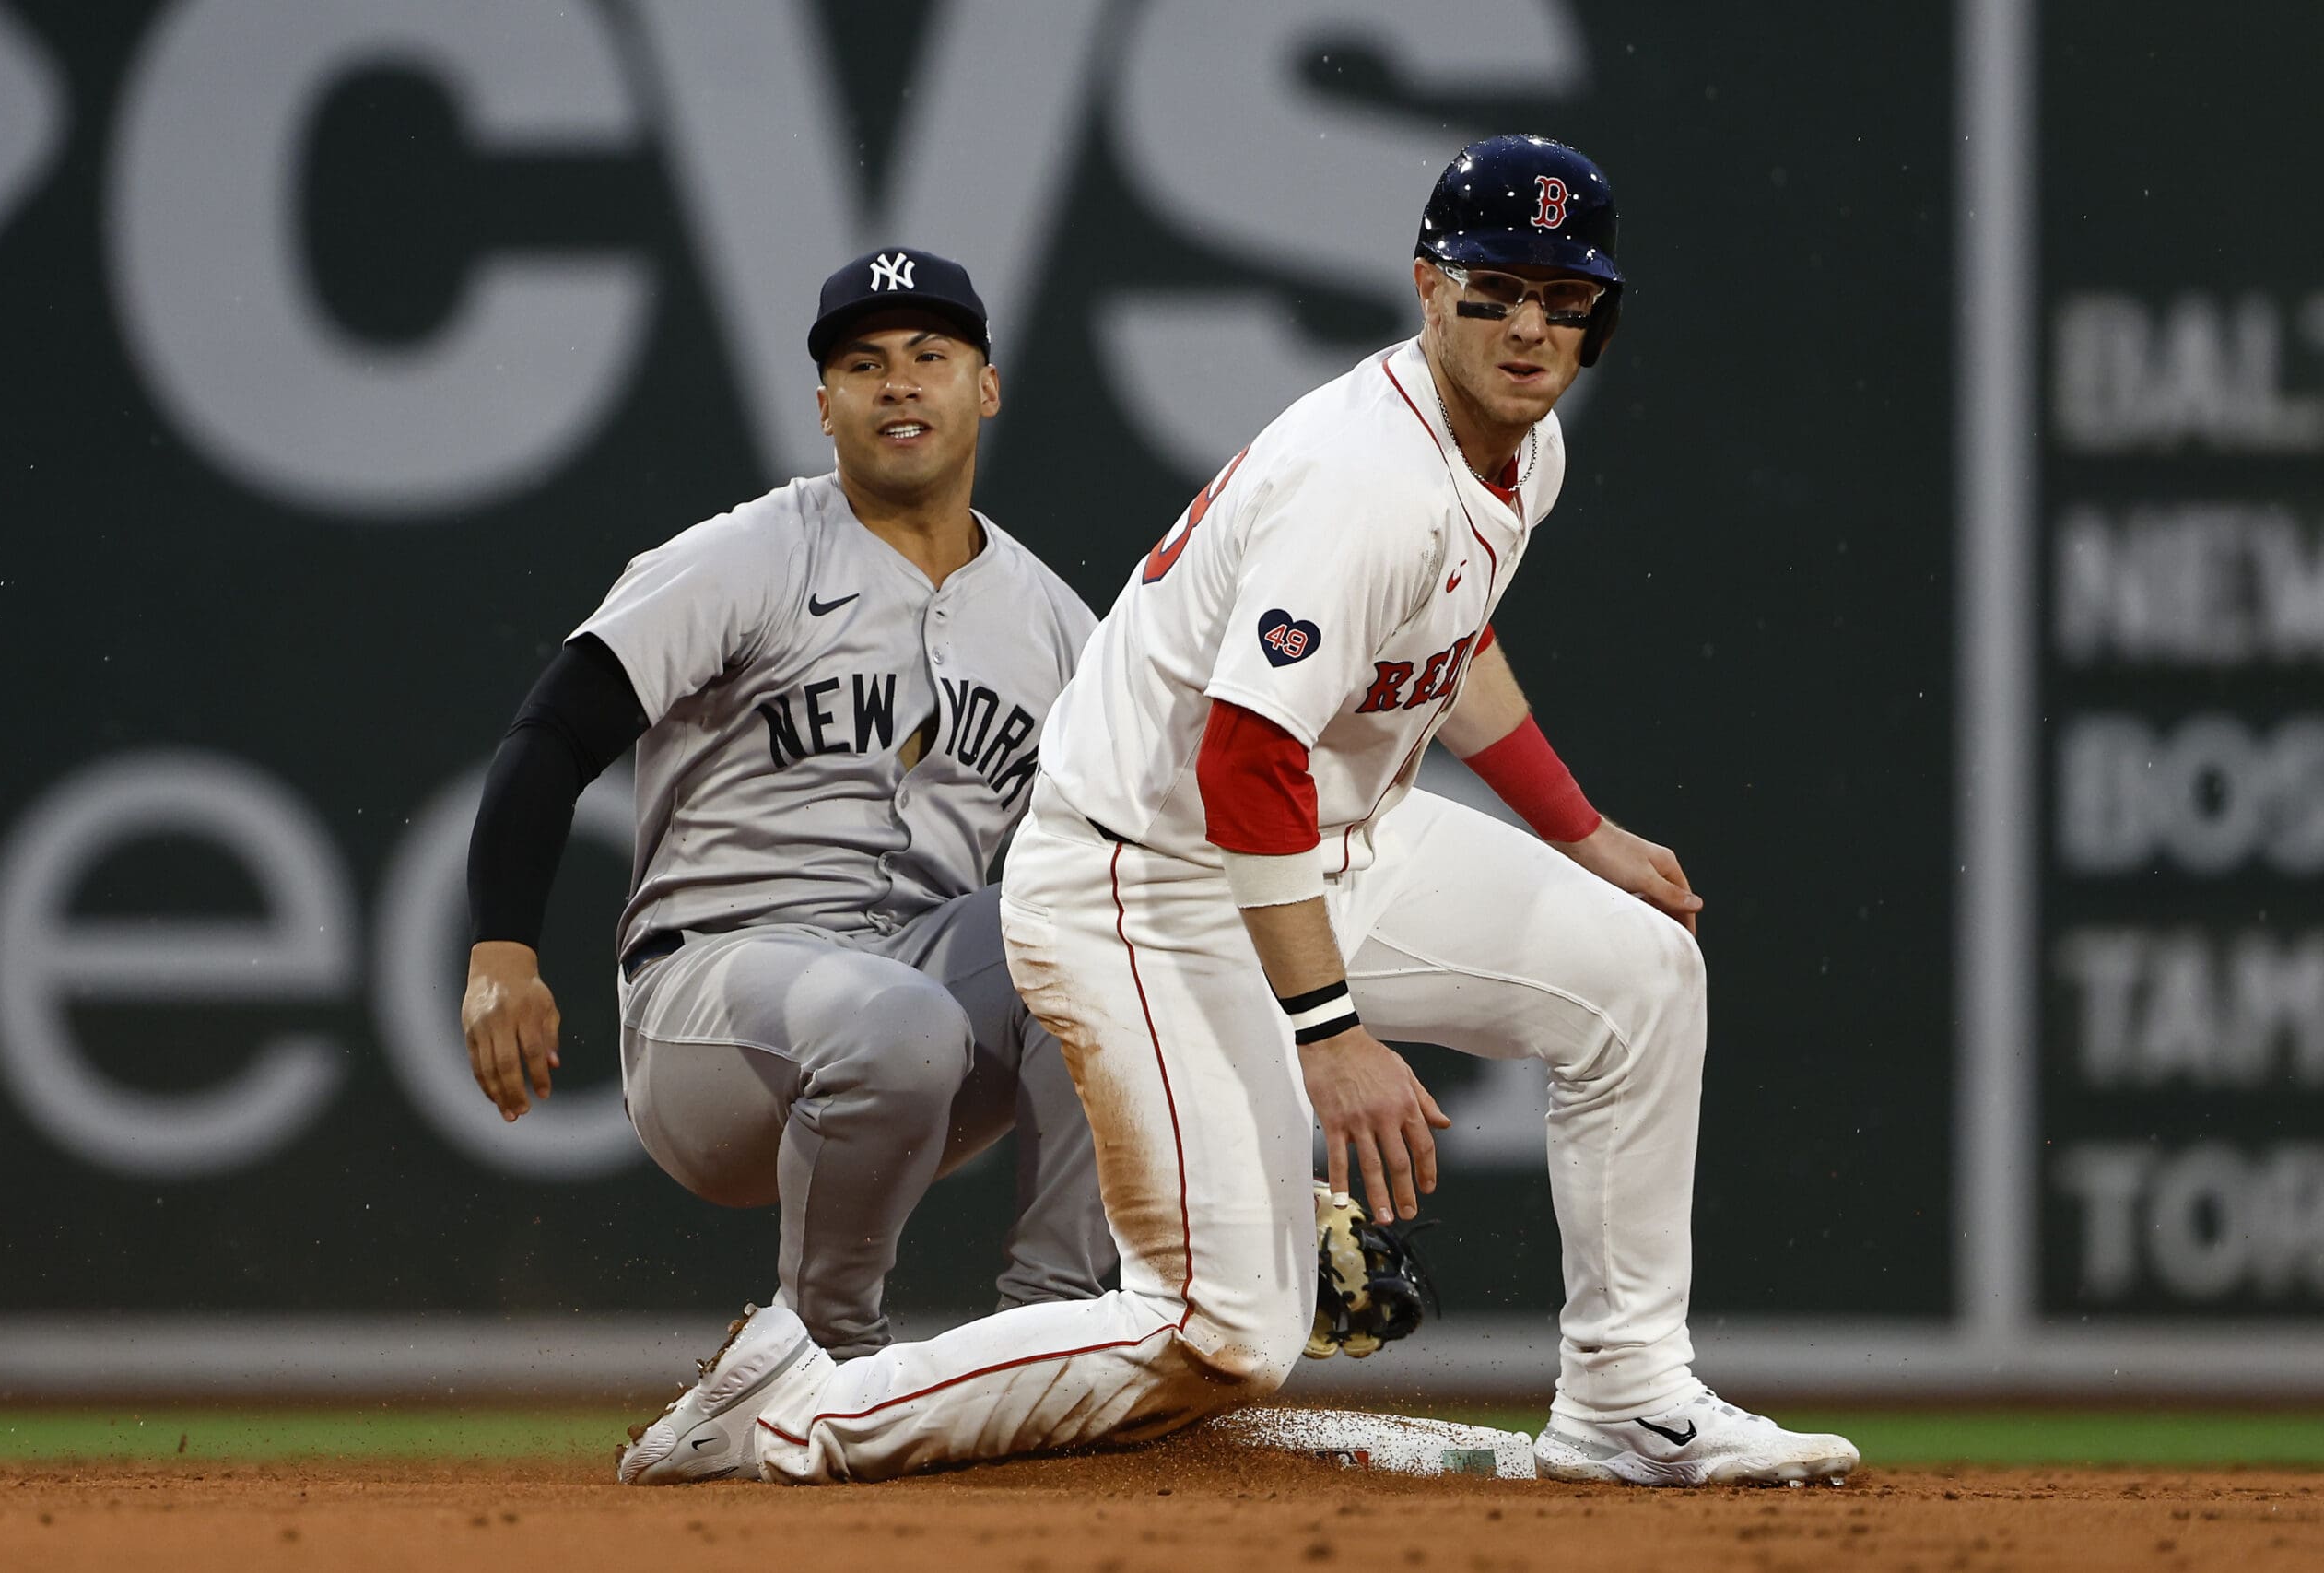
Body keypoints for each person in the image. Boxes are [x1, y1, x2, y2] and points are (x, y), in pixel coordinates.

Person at [614, 136, 1860, 1490]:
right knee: (1224, 1332)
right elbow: (1240, 762)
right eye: (1496, 287)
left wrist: (1580, 829)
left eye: (1565, 298)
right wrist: (1323, 1034)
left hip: (1329, 841)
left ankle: (1627, 1395)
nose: (1530, 324)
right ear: (1428, 290)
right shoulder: (1364, 481)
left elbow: (1450, 643)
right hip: (1150, 882)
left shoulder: (1521, 449)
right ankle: (807, 1406)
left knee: (1641, 975)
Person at [461, 247, 1115, 1368]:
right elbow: (554, 733)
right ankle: (820, 1365)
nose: (900, 383)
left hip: (915, 1001)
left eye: (930, 356)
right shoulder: (744, 557)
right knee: (900, 1023)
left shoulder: (1062, 628)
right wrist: (502, 948)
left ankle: (1049, 1342)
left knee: (1118, 928)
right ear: (825, 407)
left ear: (986, 386)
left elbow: (1153, 864)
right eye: (865, 365)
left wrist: (1255, 1126)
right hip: (713, 1003)